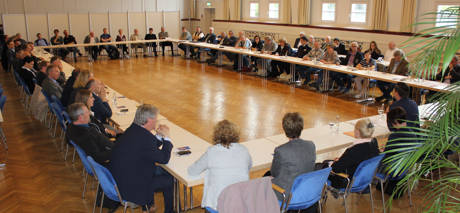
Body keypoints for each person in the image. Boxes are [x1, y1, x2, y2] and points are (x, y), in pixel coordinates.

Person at [110, 104, 174, 213]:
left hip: (121, 177)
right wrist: (167, 138)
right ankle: (168, 211)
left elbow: (147, 147)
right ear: (149, 120)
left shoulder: (133, 130)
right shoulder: (145, 138)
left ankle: (149, 205)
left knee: (162, 171)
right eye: (156, 119)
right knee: (170, 179)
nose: (157, 121)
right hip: (132, 186)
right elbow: (163, 159)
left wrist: (158, 136)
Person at [188, 120, 252, 210]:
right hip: (240, 202)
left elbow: (192, 171)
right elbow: (249, 166)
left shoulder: (212, 151)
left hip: (218, 204)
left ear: (216, 135)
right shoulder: (244, 150)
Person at [269, 112, 316, 200]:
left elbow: (274, 173)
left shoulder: (281, 150)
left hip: (286, 195)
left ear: (284, 129)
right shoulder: (311, 145)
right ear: (301, 127)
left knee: (262, 182)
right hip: (306, 191)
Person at [328, 119, 380, 189]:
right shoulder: (374, 142)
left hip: (347, 181)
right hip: (365, 179)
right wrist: (342, 160)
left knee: (321, 167)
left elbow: (335, 168)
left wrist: (334, 163)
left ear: (358, 131)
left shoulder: (355, 149)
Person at [378, 107, 417, 197]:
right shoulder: (414, 135)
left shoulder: (395, 136)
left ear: (395, 122)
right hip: (406, 168)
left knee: (373, 159)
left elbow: (386, 154)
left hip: (394, 169)